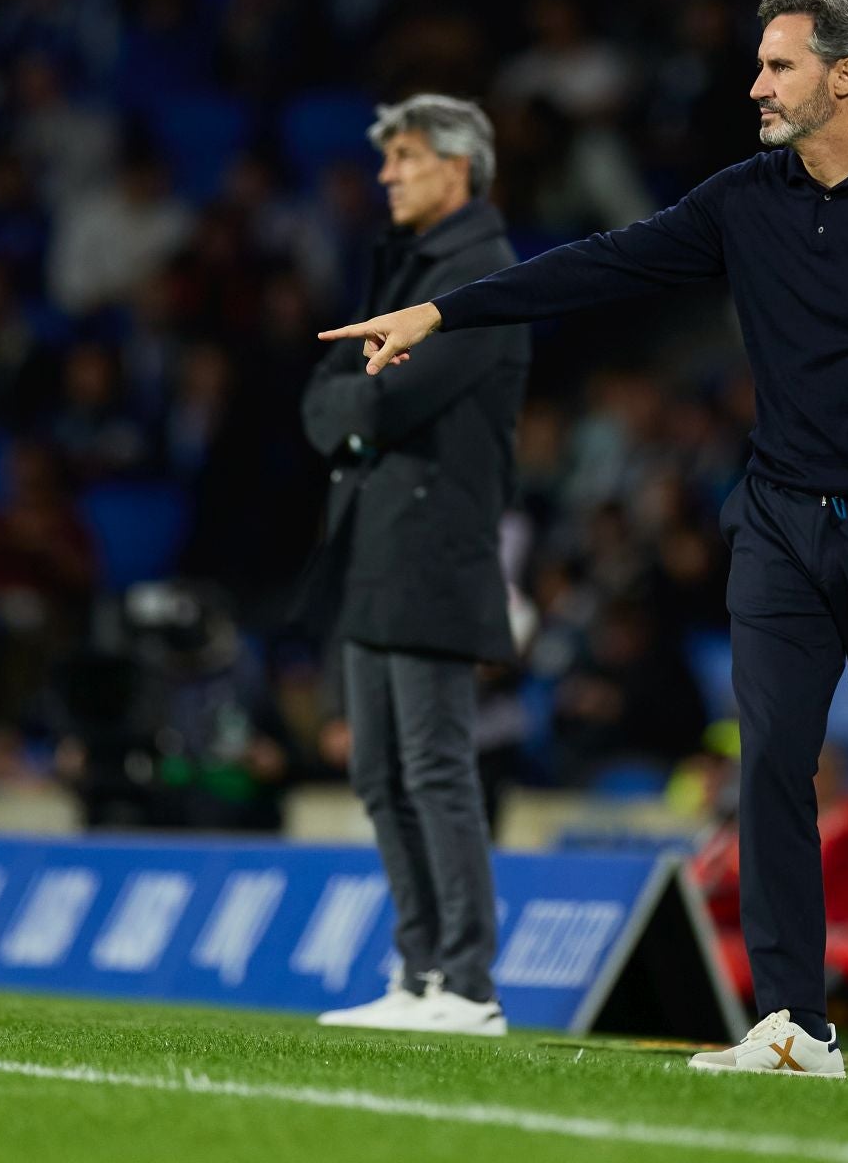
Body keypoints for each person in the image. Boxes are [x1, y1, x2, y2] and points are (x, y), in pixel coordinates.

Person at [320, 0, 848, 1083]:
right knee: (770, 762)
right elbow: (606, 260)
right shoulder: (746, 197)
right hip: (779, 521)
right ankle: (793, 1022)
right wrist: (446, 309)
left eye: (778, 65)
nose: (755, 85)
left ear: (844, 75)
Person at [303, 95, 529, 1038]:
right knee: (377, 775)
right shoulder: (406, 267)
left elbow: (380, 405)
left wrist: (350, 408)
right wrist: (349, 406)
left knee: (435, 767)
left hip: (434, 551)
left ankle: (469, 985)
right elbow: (326, 402)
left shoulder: (480, 275)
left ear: (457, 167)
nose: (388, 174)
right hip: (374, 544)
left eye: (404, 157)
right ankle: (421, 966)